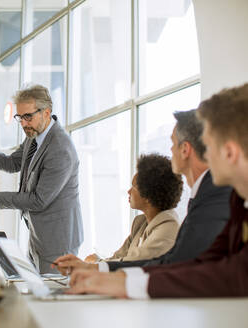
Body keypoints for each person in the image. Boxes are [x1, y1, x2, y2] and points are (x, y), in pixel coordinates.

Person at [67, 83, 248, 298]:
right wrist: (116, 279)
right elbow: (206, 262)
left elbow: (232, 274)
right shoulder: (237, 200)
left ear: (229, 152)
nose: (204, 156)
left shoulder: (222, 198)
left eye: (208, 147)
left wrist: (122, 284)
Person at [53, 109, 231, 274]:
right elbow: (166, 262)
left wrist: (96, 269)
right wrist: (95, 268)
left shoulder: (211, 200)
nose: (170, 150)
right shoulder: (202, 196)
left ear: (185, 149)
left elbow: (173, 264)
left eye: (173, 144)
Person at [0, 84, 83, 273]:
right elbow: (13, 163)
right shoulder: (34, 136)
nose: (23, 123)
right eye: (20, 117)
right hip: (38, 236)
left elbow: (38, 200)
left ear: (46, 112)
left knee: (52, 298)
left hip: (58, 242)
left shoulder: (60, 149)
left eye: (28, 117)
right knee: (37, 292)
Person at [85, 154, 182, 264]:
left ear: (148, 194)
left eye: (134, 187)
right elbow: (118, 257)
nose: (129, 191)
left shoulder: (168, 228)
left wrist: (96, 263)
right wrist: (96, 263)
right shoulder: (140, 223)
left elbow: (132, 263)